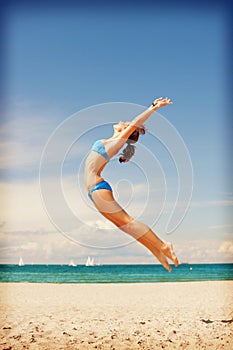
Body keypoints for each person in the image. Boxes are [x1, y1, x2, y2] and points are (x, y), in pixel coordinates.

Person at [84, 97, 178, 271]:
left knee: (128, 221)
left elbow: (136, 122)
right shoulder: (110, 140)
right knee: (125, 227)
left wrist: (154, 107)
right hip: (93, 192)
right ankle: (156, 251)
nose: (121, 122)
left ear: (127, 130)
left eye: (125, 124)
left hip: (98, 188)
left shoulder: (117, 140)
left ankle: (163, 245)